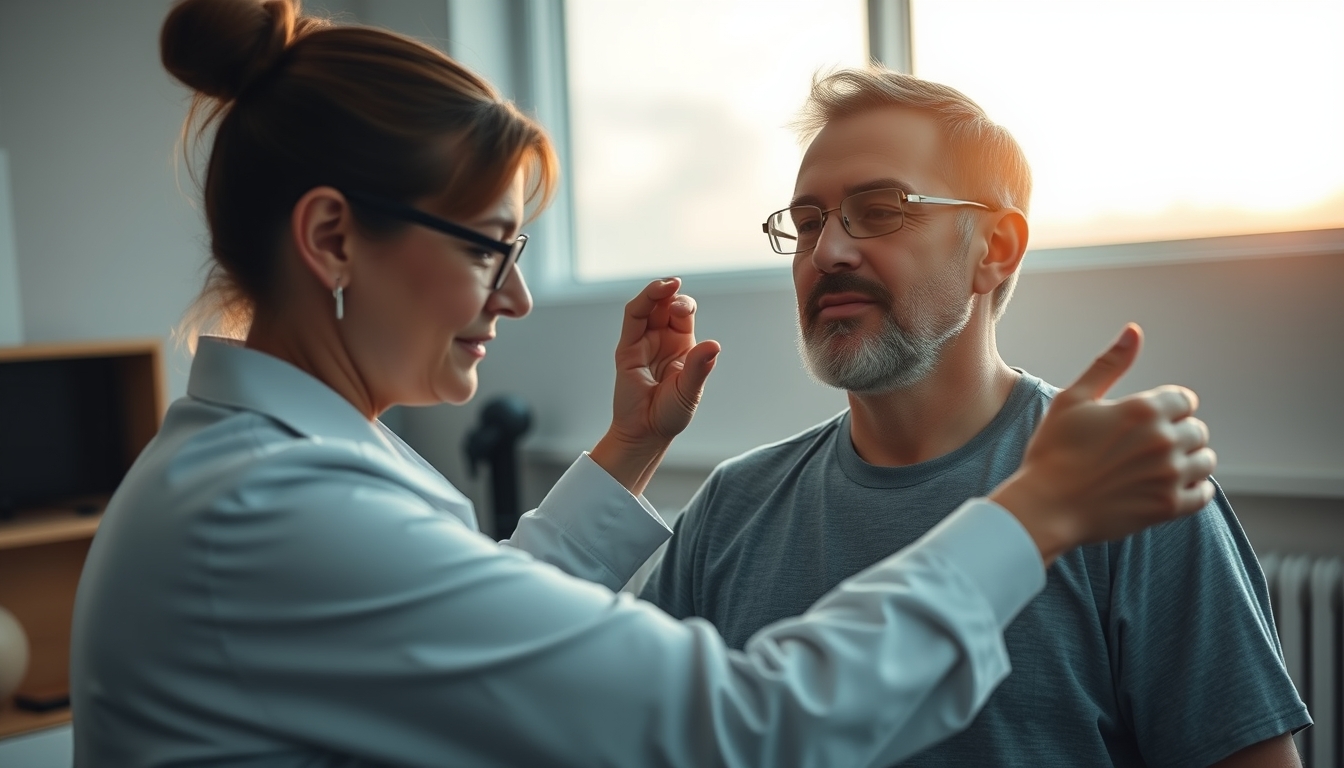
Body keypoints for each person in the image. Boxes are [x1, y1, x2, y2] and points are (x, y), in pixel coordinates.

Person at [71, 3, 1217, 766]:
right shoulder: (268, 510)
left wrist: (625, 451)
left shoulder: (264, 486)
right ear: (332, 237)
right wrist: (1032, 518)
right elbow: (743, 727)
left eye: (883, 213)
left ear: (998, 250)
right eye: (489, 246)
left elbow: (461, 635)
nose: (514, 301)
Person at [641, 67, 1311, 767]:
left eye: (880, 209)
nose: (827, 252)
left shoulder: (1125, 489)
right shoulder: (732, 508)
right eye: (807, 223)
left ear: (995, 250)